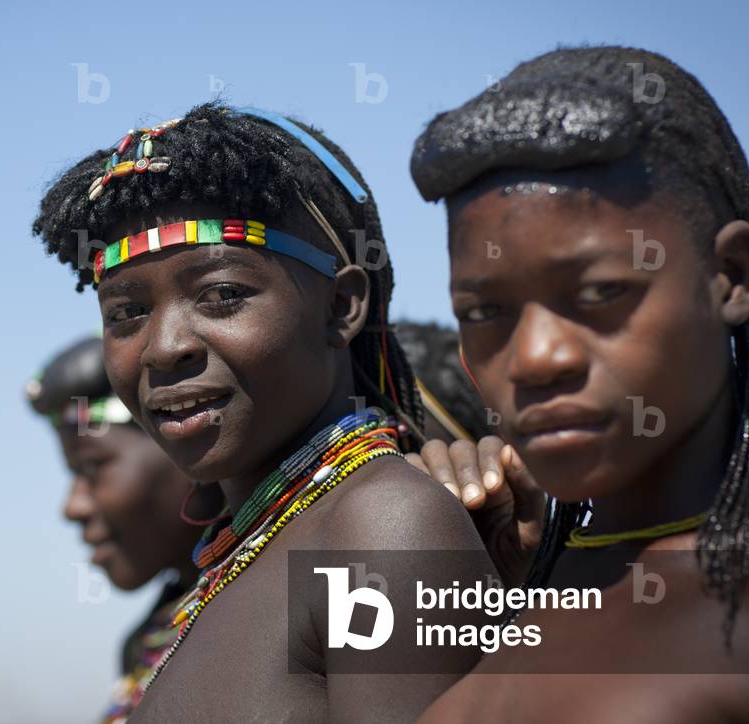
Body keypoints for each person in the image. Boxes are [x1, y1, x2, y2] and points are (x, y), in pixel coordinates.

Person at [31, 103, 497, 722]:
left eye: (221, 295)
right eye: (125, 313)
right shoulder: (244, 554)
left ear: (340, 306)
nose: (166, 346)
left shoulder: (383, 525)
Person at [408, 45, 749, 723]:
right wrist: (477, 593)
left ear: (733, 276)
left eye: (599, 293)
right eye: (484, 312)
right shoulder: (519, 586)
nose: (537, 358)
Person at [26, 336, 222, 722]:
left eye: (93, 467)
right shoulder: (147, 641)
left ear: (188, 451)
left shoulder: (282, 593)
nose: (73, 506)